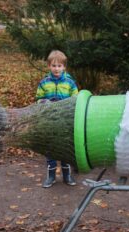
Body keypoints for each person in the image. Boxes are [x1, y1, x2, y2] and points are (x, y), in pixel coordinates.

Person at [35, 50, 79, 188]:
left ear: (64, 67)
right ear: (49, 66)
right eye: (53, 66)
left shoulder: (70, 83)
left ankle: (67, 176)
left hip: (65, 122)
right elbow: (38, 99)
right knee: (50, 149)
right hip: (49, 121)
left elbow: (76, 100)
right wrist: (43, 102)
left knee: (65, 149)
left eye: (59, 66)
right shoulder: (44, 83)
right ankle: (51, 177)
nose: (56, 69)